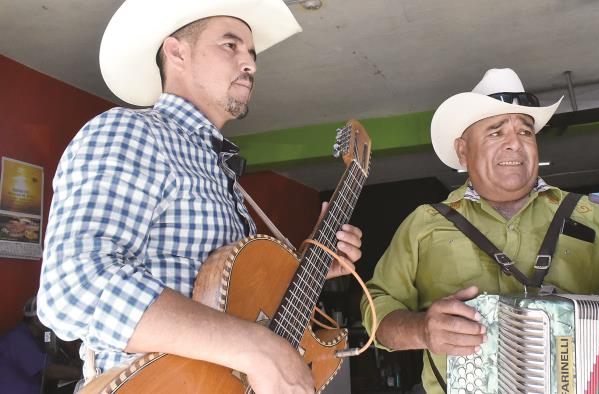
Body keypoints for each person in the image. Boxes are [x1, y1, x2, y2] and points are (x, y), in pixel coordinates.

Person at [36, 1, 363, 393]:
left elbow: (226, 303)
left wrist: (307, 271)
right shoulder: (132, 132)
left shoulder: (217, 170)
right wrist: (256, 348)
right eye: (231, 45)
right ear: (177, 52)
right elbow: (73, 287)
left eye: (252, 54)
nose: (251, 64)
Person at [360, 68, 599, 393]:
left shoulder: (591, 215)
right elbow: (376, 310)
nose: (514, 144)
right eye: (495, 131)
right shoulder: (424, 223)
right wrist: (421, 330)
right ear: (463, 149)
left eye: (525, 132)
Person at [0, 297, 82, 394]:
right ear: (37, 320)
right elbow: (50, 371)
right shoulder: (18, 338)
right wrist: (83, 373)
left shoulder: (38, 338)